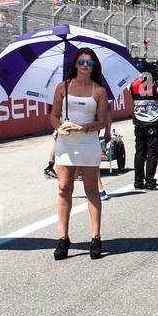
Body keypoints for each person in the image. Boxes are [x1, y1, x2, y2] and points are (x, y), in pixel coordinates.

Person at [49, 49, 109, 260]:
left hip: (88, 142)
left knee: (91, 189)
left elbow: (101, 122)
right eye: (81, 61)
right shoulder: (62, 87)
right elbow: (54, 116)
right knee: (64, 188)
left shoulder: (99, 91)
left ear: (94, 66)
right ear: (75, 64)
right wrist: (59, 127)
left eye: (89, 62)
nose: (85, 65)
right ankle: (63, 238)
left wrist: (81, 127)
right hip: (65, 143)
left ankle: (95, 237)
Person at [131, 64, 158, 190]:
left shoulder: (133, 84)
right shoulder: (156, 85)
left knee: (139, 152)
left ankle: (138, 181)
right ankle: (150, 181)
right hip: (153, 122)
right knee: (152, 153)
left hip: (139, 121)